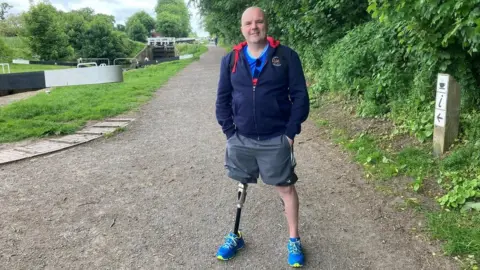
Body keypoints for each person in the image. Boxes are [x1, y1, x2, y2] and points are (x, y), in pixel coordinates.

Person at [214, 6, 310, 268]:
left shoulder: (286, 56)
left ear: (266, 25)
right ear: (242, 28)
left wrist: (290, 133)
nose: (253, 27)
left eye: (258, 22)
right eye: (248, 23)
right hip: (241, 138)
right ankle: (236, 235)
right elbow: (222, 99)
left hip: (276, 137)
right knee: (241, 184)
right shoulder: (231, 60)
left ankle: (294, 239)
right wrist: (230, 133)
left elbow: (300, 96)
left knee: (285, 188)